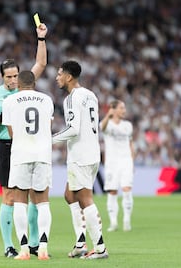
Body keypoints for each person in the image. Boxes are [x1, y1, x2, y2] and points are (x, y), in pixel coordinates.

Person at [0, 23, 48, 258]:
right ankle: (9, 245)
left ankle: (34, 243)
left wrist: (41, 39)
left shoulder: (25, 87)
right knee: (10, 196)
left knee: (33, 195)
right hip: (8, 147)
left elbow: (41, 64)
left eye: (16, 75)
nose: (13, 80)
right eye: (8, 77)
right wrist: (2, 116)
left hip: (29, 146)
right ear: (2, 77)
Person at [52, 60, 108, 260]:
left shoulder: (71, 98)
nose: (57, 77)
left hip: (80, 155)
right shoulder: (91, 95)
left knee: (85, 200)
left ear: (68, 77)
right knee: (69, 195)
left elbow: (74, 129)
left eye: (59, 74)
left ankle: (100, 248)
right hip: (93, 152)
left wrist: (50, 139)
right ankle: (80, 243)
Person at [2, 70, 54, 260]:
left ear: (19, 84)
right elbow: (47, 128)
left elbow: (11, 132)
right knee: (43, 202)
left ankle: (23, 249)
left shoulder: (9, 101)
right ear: (34, 83)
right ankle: (43, 247)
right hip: (42, 154)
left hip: (21, 154)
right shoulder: (46, 99)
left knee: (20, 202)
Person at [99, 99, 135, 232]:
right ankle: (113, 222)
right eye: (121, 108)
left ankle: (126, 219)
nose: (124, 110)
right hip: (112, 162)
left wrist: (132, 161)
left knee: (126, 189)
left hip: (126, 161)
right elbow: (101, 127)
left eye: (124, 108)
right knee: (112, 191)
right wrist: (108, 115)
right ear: (113, 110)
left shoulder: (128, 125)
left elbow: (131, 144)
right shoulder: (107, 125)